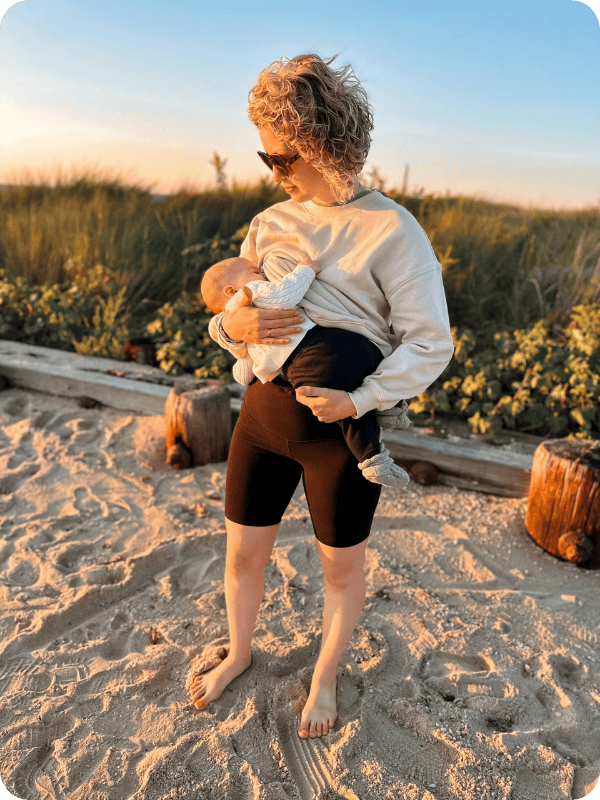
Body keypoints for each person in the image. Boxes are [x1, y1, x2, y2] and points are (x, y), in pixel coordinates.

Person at [187, 53, 454, 740]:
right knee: (244, 554)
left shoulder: (395, 231)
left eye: (279, 156)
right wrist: (229, 326)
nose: (271, 172)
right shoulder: (271, 221)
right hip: (261, 420)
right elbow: (240, 317)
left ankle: (327, 672)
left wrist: (362, 399)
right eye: (266, 157)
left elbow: (430, 344)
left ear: (321, 144)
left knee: (341, 571)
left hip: (339, 432)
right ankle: (241, 650)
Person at [199, 252, 410, 487]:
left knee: (345, 404)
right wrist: (306, 269)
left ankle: (374, 457)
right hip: (312, 350)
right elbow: (286, 294)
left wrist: (241, 355)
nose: (261, 273)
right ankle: (389, 414)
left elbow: (244, 364)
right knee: (363, 358)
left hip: (295, 373)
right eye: (254, 272)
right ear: (231, 290)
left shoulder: (241, 321)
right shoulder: (252, 292)